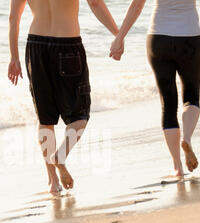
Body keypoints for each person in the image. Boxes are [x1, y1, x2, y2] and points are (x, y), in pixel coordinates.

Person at [8, 0, 120, 194]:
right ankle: (60, 155)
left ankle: (53, 183)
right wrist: (118, 35)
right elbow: (95, 3)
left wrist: (14, 57)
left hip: (35, 47)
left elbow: (13, 18)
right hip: (68, 45)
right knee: (80, 115)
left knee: (45, 119)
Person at [110, 0, 200, 177]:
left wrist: (119, 38)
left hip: (158, 39)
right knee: (191, 97)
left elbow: (137, 5)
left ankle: (177, 167)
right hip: (190, 38)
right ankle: (186, 138)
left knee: (168, 104)